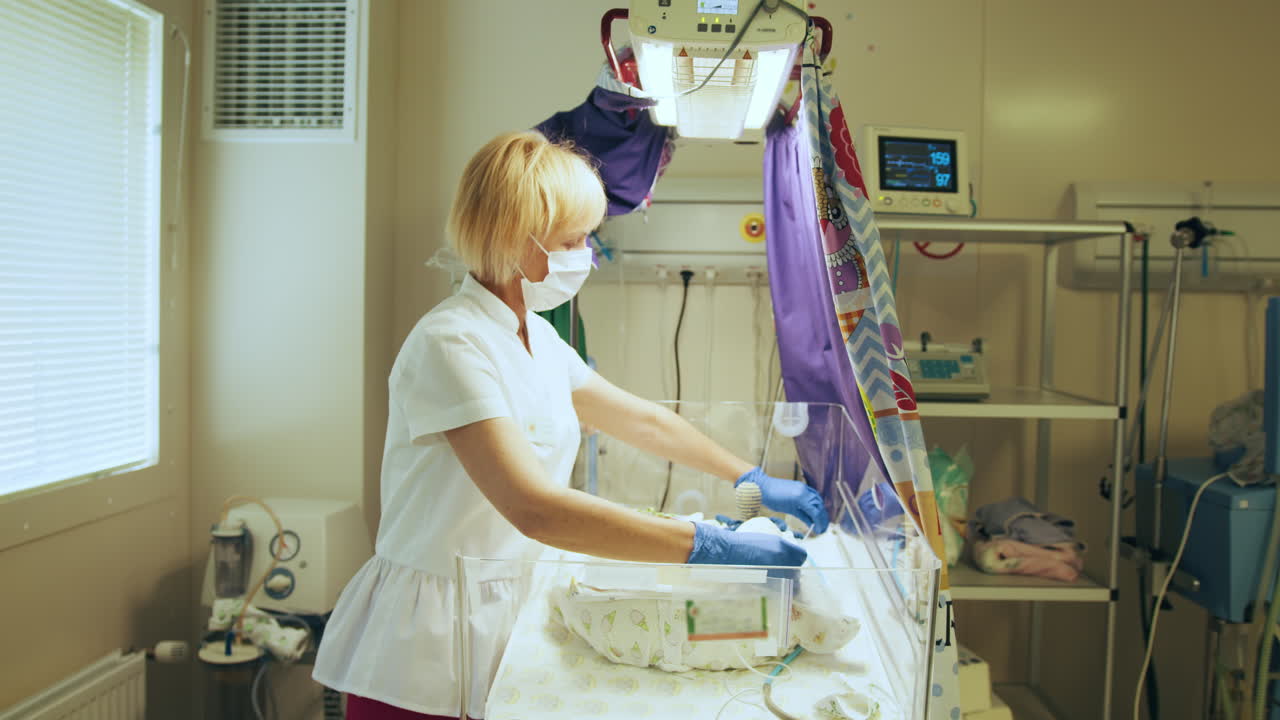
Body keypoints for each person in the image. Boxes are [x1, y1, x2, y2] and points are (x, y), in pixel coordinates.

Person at [312, 130, 830, 720]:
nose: (587, 252)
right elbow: (535, 508)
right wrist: (705, 546)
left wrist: (750, 478)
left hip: (505, 609)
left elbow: (642, 421)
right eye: (575, 238)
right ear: (522, 244)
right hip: (430, 641)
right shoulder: (450, 343)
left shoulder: (533, 333)